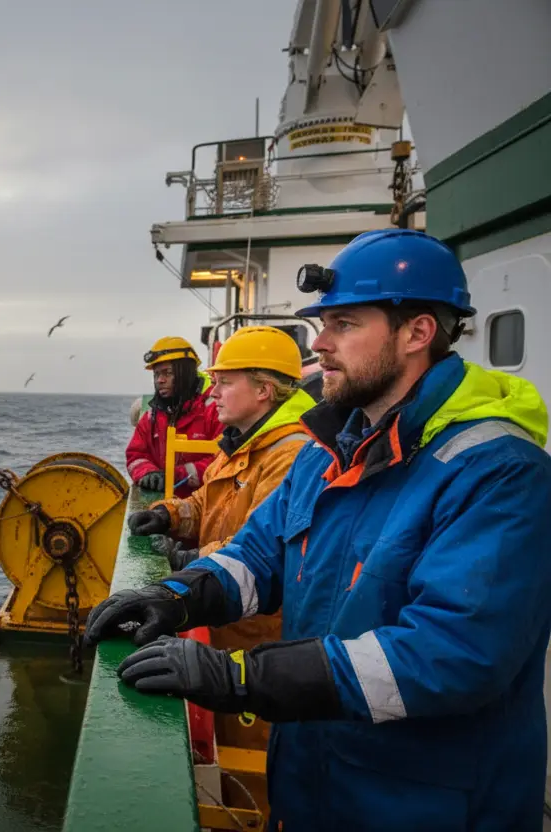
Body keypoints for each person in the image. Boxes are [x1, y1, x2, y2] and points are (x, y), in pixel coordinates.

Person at [86, 229, 551, 830]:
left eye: (344, 324)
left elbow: (456, 654)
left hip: (424, 804)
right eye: (321, 324)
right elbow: (261, 555)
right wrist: (176, 595)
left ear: (418, 333)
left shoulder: (498, 470)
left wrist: (244, 677)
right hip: (310, 779)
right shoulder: (330, 448)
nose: (320, 345)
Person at [126, 326, 315, 799]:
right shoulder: (243, 446)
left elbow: (260, 550)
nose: (213, 392)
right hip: (230, 631)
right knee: (228, 752)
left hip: (263, 642)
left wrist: (190, 560)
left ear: (264, 390)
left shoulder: (289, 456)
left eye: (225, 381)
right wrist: (169, 515)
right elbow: (209, 508)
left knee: (260, 771)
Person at [125, 336, 222, 497]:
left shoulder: (216, 410)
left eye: (167, 373)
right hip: (165, 508)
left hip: (207, 505)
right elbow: (136, 455)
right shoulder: (151, 417)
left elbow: (225, 460)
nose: (160, 380)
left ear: (186, 373)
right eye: (156, 375)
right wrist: (147, 473)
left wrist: (177, 475)